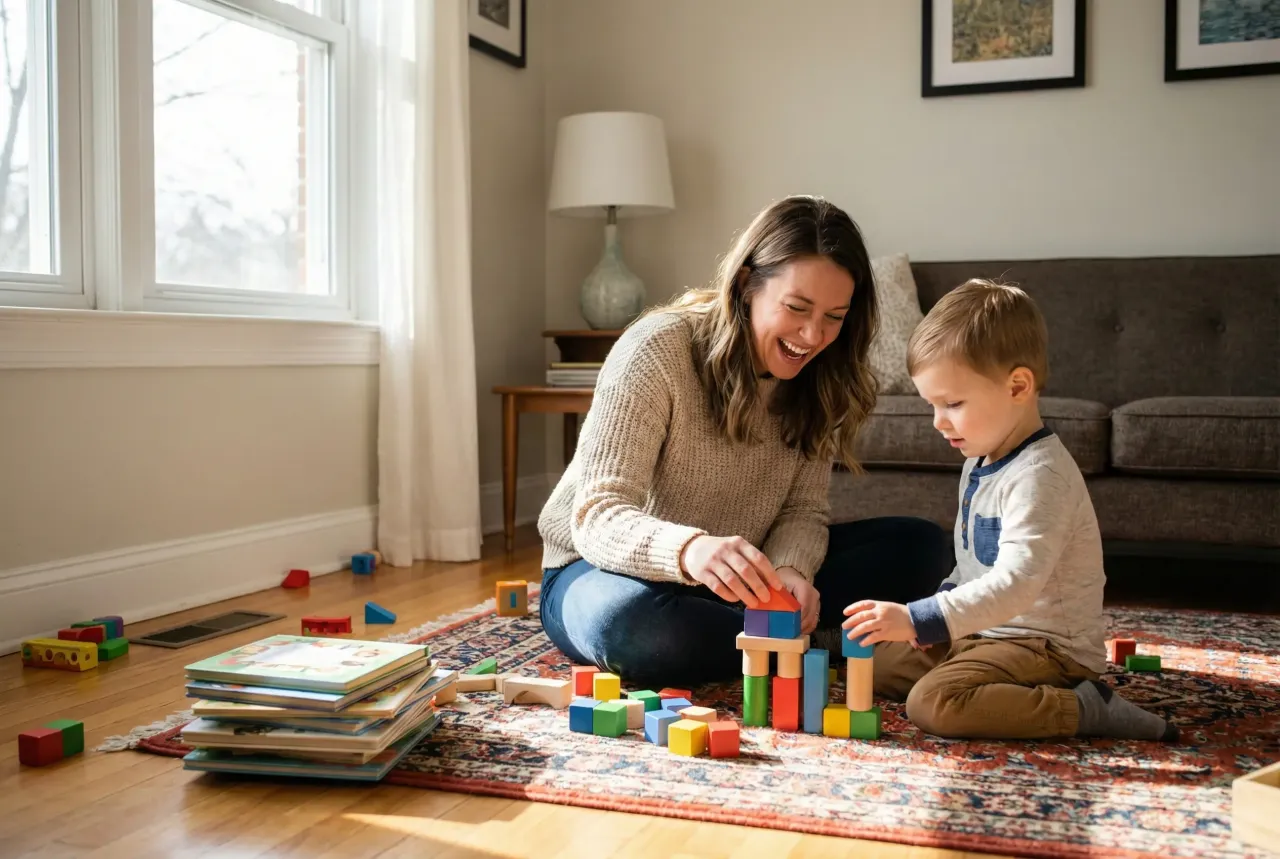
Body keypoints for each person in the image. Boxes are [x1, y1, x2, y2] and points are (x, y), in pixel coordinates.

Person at [536, 195, 952, 687]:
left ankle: (762, 642)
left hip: (743, 583)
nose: (813, 335)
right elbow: (598, 514)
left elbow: (803, 511)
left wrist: (792, 572)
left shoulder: (821, 379)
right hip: (606, 571)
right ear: (745, 284)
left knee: (921, 549)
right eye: (797, 307)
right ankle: (805, 647)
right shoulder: (656, 349)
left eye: (835, 317)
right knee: (637, 630)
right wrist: (690, 550)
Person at [842, 279, 1177, 741]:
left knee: (933, 703)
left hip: (1046, 648)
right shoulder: (980, 459)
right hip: (986, 632)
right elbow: (971, 567)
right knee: (874, 665)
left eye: (952, 404)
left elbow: (1015, 585)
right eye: (932, 405)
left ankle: (1081, 707)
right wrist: (932, 621)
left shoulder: (1040, 476)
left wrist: (921, 618)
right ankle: (976, 676)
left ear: (1017, 386)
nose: (938, 422)